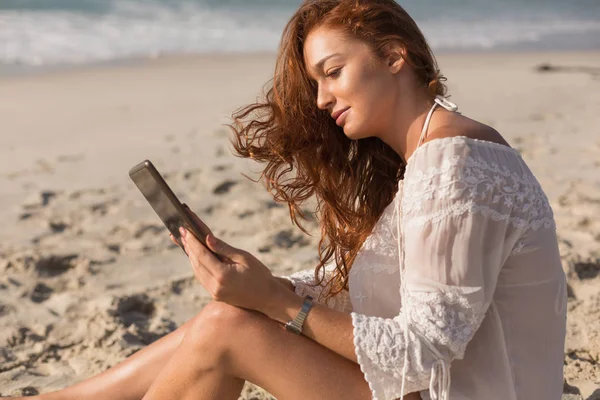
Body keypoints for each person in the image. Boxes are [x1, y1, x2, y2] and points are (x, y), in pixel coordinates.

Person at [8, 0, 567, 399]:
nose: (322, 99)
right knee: (228, 315)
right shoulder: (433, 155)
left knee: (229, 331)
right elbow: (391, 287)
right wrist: (261, 287)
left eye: (332, 72)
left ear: (395, 56)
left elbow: (420, 349)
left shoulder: (455, 166)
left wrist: (279, 303)